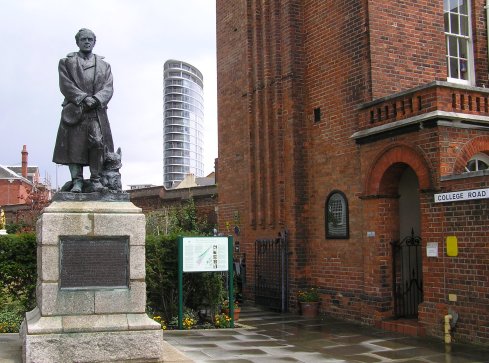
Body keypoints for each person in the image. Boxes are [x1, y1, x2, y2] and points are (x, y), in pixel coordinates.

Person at [52, 28, 114, 193]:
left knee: (98, 143)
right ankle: (77, 181)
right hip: (75, 110)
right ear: (77, 42)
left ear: (94, 42)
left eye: (90, 39)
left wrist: (96, 99)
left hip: (95, 111)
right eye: (83, 39)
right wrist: (83, 98)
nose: (87, 42)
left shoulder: (104, 65)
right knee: (74, 146)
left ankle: (95, 179)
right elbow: (65, 85)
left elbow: (108, 87)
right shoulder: (66, 62)